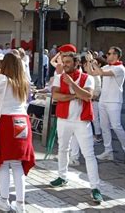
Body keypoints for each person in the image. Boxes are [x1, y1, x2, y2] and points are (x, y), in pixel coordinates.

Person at [0, 53, 35, 213]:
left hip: (6, 121)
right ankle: (20, 204)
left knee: (3, 161)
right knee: (17, 163)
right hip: (22, 121)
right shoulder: (24, 81)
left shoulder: (3, 80)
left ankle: (4, 199)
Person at [49, 51, 103, 203]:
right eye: (63, 61)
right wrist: (75, 95)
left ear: (76, 63)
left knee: (89, 155)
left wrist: (72, 84)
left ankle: (95, 187)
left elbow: (88, 96)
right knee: (62, 149)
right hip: (63, 119)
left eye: (67, 62)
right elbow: (56, 96)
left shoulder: (88, 78)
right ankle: (62, 176)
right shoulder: (59, 77)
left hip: (82, 121)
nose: (64, 65)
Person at [94, 46, 125, 165]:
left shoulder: (120, 68)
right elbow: (93, 72)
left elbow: (101, 72)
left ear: (116, 55)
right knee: (104, 126)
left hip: (114, 101)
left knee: (116, 126)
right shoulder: (107, 66)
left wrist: (93, 62)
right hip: (103, 101)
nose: (107, 55)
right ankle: (108, 151)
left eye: (110, 53)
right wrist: (90, 63)